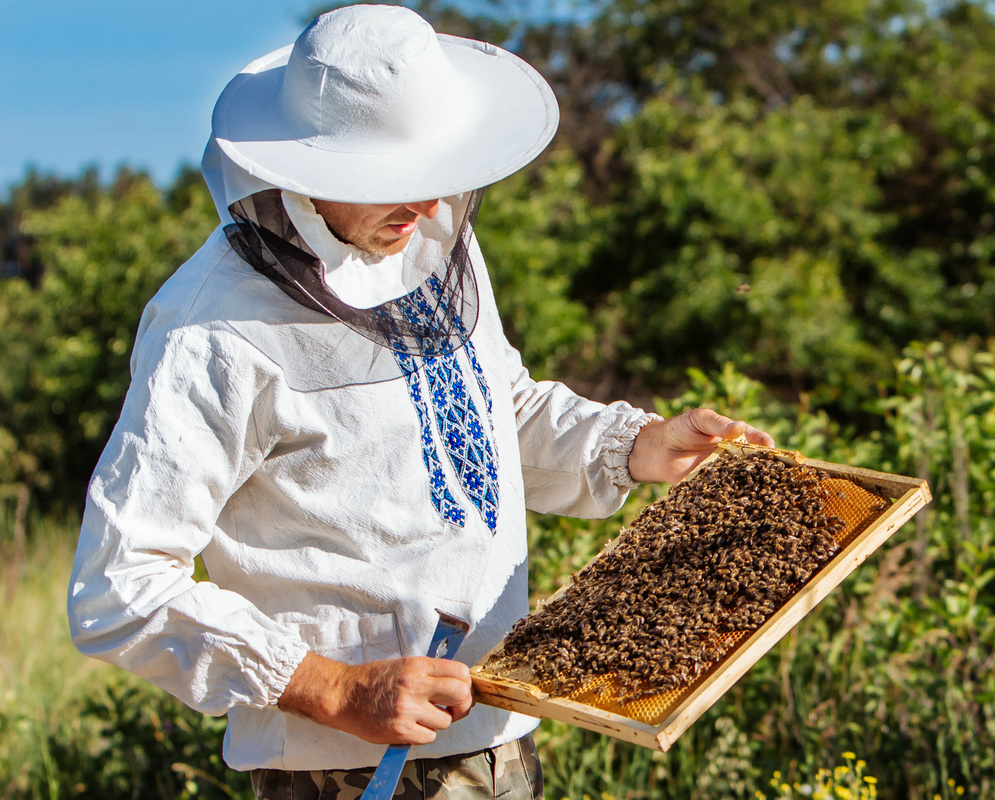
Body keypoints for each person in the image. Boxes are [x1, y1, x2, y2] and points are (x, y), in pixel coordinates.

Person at [67, 6, 773, 799]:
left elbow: (487, 411)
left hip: (502, 737)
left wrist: (635, 445)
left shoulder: (426, 242)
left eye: (436, 175)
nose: (430, 207)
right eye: (392, 183)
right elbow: (120, 587)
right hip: (348, 768)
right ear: (307, 171)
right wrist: (336, 690)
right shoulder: (210, 331)